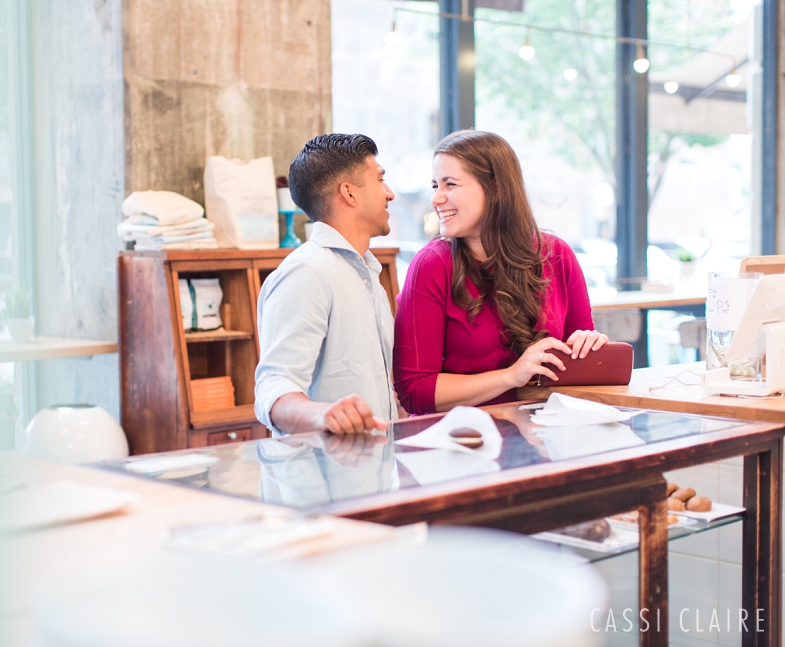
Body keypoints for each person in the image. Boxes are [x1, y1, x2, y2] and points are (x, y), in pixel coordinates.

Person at [394, 130, 607, 414]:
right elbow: (413, 390)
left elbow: (575, 371)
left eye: (450, 185)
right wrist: (511, 376)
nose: (436, 199)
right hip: (462, 443)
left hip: (544, 436)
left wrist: (588, 346)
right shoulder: (431, 265)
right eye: (435, 186)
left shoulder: (558, 255)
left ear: (495, 189)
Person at [254, 133, 399, 435]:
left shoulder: (369, 274)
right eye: (379, 179)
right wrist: (324, 415)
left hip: (375, 473)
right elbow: (273, 388)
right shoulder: (307, 273)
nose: (389, 193)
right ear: (349, 193)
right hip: (323, 476)